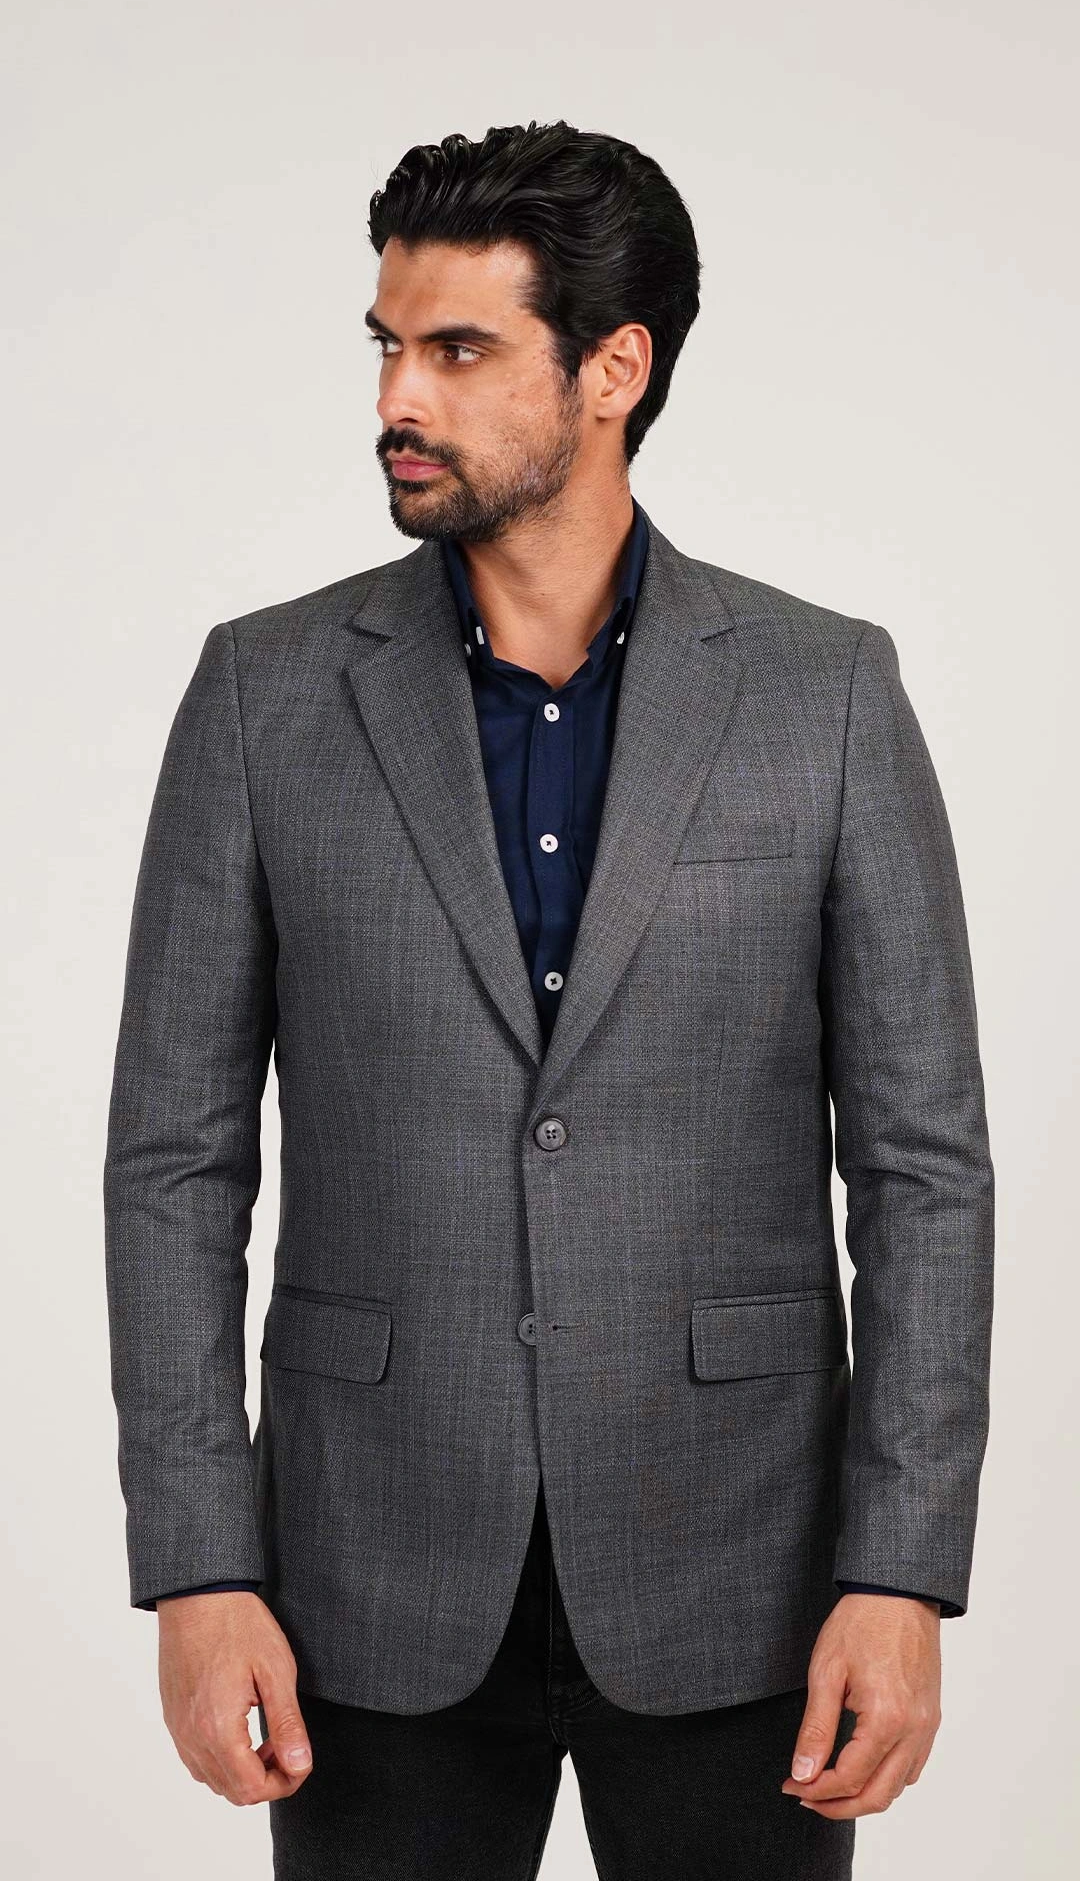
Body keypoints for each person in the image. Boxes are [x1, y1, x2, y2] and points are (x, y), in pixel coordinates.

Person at [103, 120, 994, 1880]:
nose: (396, 398)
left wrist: (901, 1571)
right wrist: (199, 1566)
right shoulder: (266, 695)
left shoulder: (823, 696)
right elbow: (172, 1164)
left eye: (458, 350)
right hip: (367, 1573)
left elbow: (925, 1171)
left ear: (613, 370)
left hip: (742, 1565)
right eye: (386, 344)